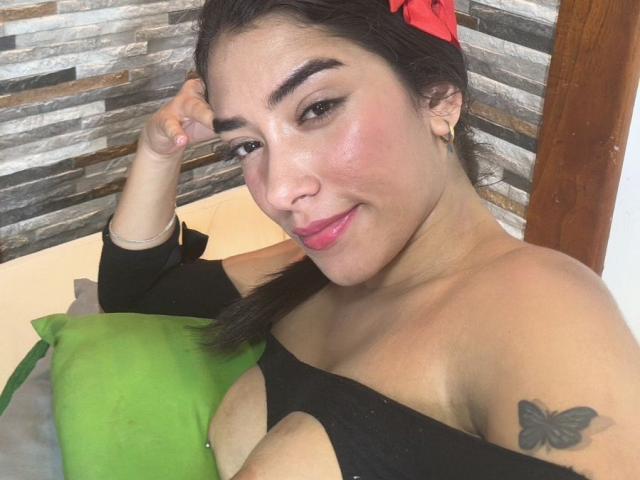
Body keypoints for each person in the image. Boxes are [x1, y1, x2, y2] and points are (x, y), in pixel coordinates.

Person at [98, 1, 640, 478]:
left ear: (438, 99)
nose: (280, 191)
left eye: (317, 109)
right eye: (247, 145)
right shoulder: (314, 271)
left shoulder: (541, 308)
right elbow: (137, 296)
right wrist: (158, 148)